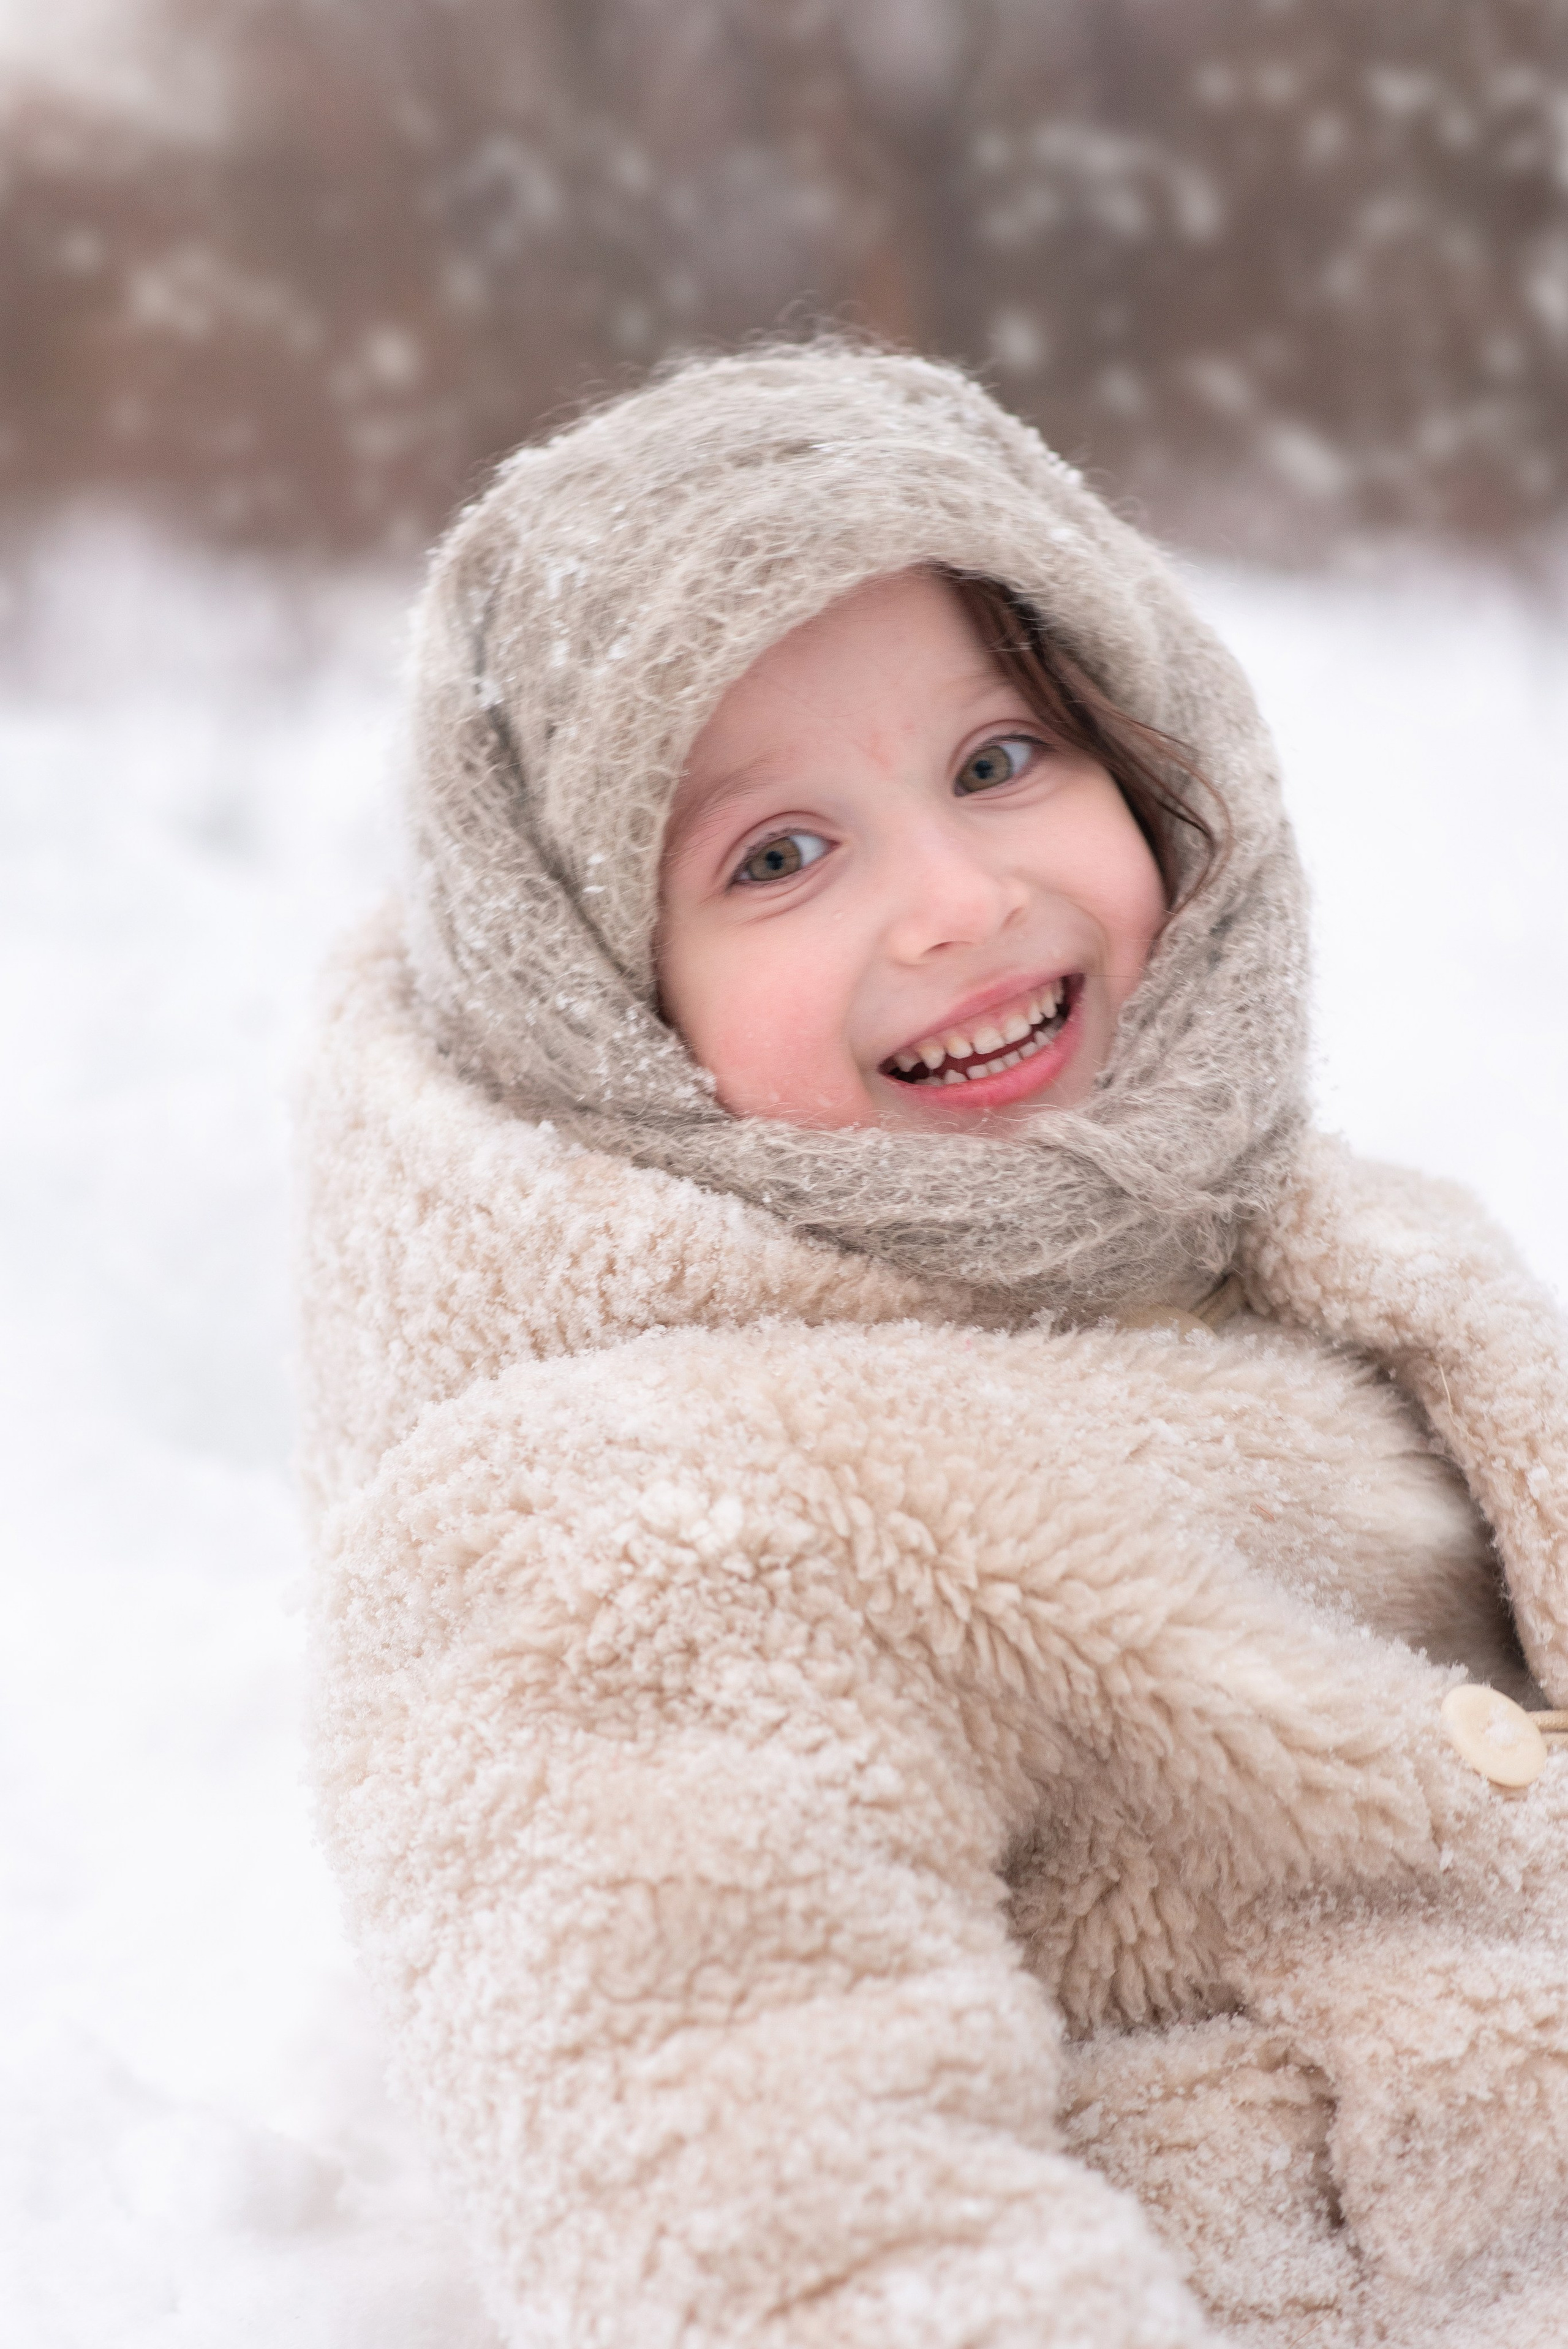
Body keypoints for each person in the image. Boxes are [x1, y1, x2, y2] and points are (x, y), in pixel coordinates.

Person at [298, 342, 1568, 2349]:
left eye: (998, 760)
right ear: (597, 1004)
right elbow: (788, 2229)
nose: (958, 903)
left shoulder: (1311, 1241)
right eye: (776, 857)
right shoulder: (624, 1529)